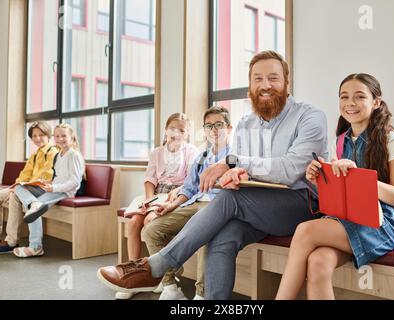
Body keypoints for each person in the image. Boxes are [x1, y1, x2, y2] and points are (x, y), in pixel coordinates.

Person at [97, 50, 328, 299]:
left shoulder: (310, 117)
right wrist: (233, 175)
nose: (265, 85)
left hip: (303, 206)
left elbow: (290, 171)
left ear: (286, 82)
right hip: (255, 204)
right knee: (222, 237)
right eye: (258, 79)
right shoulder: (245, 124)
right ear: (250, 84)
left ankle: (157, 266)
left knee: (229, 199)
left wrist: (233, 163)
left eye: (273, 78)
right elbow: (241, 170)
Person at [275, 73, 394, 300]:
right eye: (344, 97)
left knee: (305, 231)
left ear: (376, 102)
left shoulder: (391, 139)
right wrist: (318, 178)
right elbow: (339, 194)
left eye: (359, 97)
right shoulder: (339, 141)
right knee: (318, 263)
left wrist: (360, 179)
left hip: (382, 222)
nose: (350, 103)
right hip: (349, 218)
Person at [138, 106, 233, 300]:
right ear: (204, 130)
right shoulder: (200, 158)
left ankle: (202, 294)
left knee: (208, 235)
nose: (214, 129)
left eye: (219, 125)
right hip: (194, 202)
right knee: (150, 230)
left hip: (219, 206)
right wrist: (171, 205)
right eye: (209, 125)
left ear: (229, 128)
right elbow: (189, 189)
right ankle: (170, 286)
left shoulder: (236, 156)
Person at [114, 113, 198, 299]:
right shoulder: (157, 152)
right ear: (166, 130)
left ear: (187, 134)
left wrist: (162, 203)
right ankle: (136, 277)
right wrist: (148, 200)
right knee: (134, 222)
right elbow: (150, 179)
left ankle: (164, 274)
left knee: (151, 221)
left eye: (181, 130)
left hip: (175, 196)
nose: (176, 133)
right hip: (155, 194)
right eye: (172, 129)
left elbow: (191, 182)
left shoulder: (191, 151)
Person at [11, 123, 85, 257]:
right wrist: (47, 183)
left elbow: (74, 182)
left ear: (72, 137)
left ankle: (35, 247)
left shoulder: (73, 155)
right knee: (18, 187)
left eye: (64, 136)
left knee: (33, 209)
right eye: (57, 136)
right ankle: (34, 204)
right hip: (53, 187)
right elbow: (58, 175)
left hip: (65, 191)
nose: (60, 138)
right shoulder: (59, 154)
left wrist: (53, 187)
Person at [0, 122, 58, 254]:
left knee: (13, 196)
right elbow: (25, 174)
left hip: (40, 189)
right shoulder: (35, 154)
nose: (37, 138)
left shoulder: (53, 152)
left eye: (41, 135)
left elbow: (46, 176)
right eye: (34, 136)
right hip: (25, 187)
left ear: (48, 135)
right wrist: (16, 185)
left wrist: (21, 188)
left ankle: (11, 241)